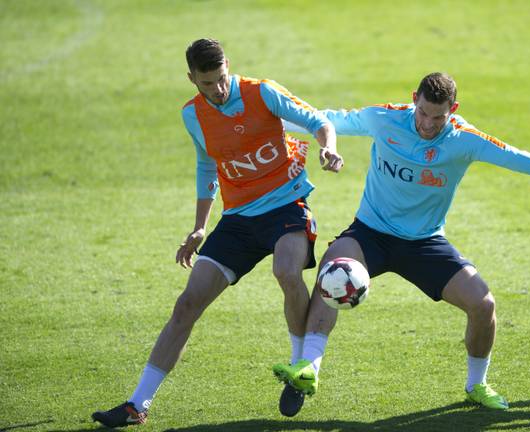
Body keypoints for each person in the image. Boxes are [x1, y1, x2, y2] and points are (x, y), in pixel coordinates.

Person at [272, 72, 530, 416]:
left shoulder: (463, 138)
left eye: (438, 117)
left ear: (453, 109)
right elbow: (329, 119)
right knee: (333, 271)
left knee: (483, 304)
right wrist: (270, 117)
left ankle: (477, 385)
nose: (427, 124)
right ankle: (308, 369)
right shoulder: (384, 118)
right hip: (371, 233)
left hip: (424, 242)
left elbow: (509, 154)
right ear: (414, 98)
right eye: (422, 113)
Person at [91, 38, 343, 427]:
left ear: (228, 66)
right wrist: (199, 226)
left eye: (222, 79)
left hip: (286, 206)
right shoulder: (192, 115)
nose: (218, 90)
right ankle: (137, 404)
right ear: (192, 78)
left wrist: (328, 148)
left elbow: (319, 122)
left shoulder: (263, 92)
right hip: (239, 218)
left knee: (287, 272)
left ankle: (299, 370)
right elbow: (207, 167)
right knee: (187, 303)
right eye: (207, 83)